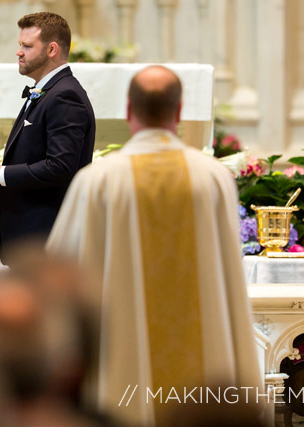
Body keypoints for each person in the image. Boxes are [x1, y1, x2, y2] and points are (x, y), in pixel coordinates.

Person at [46, 66, 261, 427]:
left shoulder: (98, 179)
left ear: (129, 111)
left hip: (120, 357)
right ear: (178, 113)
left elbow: (58, 269)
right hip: (203, 364)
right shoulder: (212, 178)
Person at [0, 12, 95, 264]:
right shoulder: (49, 90)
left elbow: (60, 167)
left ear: (51, 49)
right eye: (20, 45)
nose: (18, 52)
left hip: (47, 239)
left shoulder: (65, 96)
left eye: (27, 46)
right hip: (34, 237)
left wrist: (1, 174)